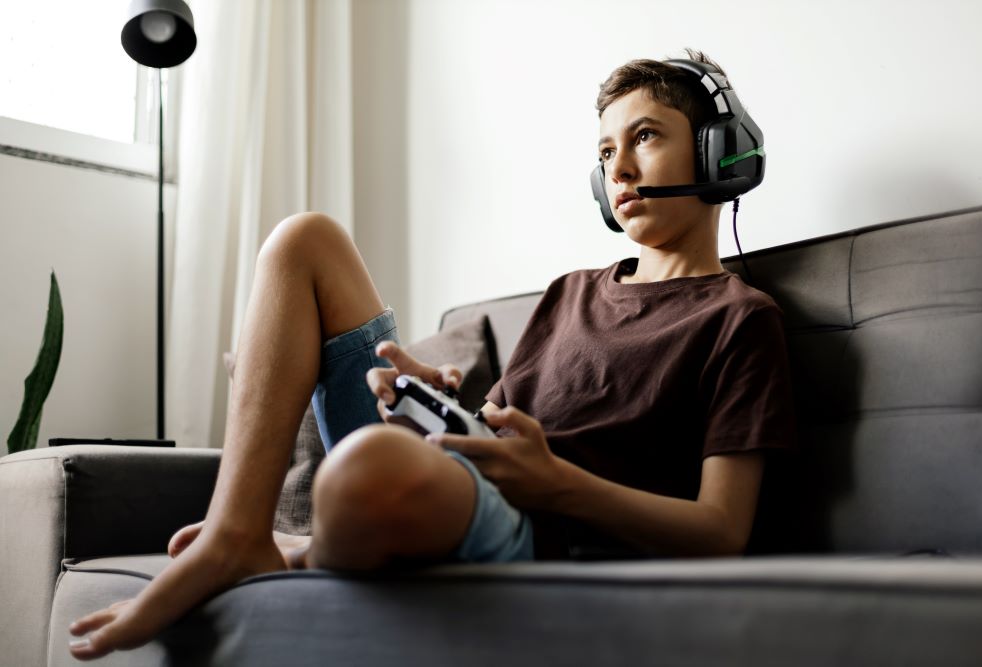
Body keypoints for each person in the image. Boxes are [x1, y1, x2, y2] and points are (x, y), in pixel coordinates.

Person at [68, 49, 795, 660]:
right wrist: (432, 392)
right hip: (458, 481)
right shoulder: (570, 292)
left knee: (368, 470)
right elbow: (490, 428)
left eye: (645, 137)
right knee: (303, 238)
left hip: (537, 532)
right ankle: (238, 535)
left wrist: (557, 484)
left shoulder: (739, 320)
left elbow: (722, 532)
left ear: (716, 153)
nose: (620, 167)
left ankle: (303, 546)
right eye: (606, 151)